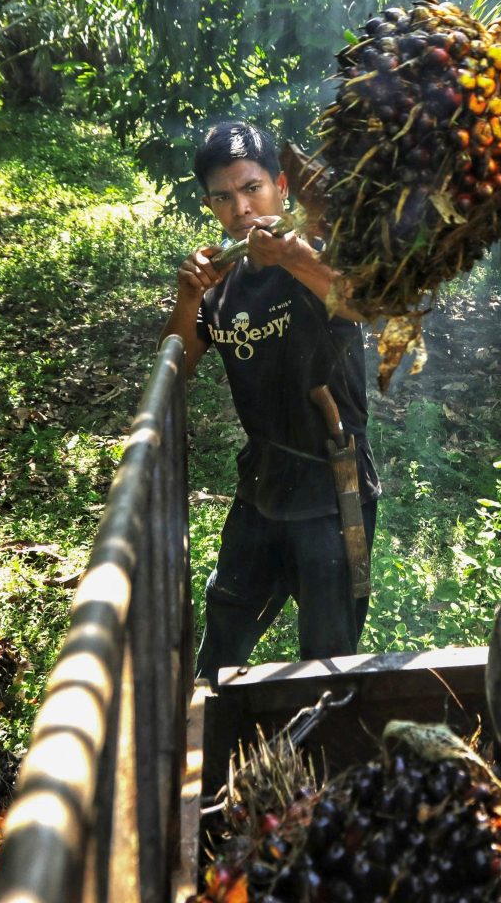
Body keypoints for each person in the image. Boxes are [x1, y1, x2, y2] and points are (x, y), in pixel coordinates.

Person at [160, 120, 380, 684]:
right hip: (261, 485)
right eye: (223, 197)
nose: (241, 208)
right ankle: (209, 746)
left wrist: (292, 258)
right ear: (210, 206)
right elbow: (177, 366)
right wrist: (190, 296)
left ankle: (324, 757)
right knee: (224, 634)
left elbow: (364, 306)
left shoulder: (320, 255)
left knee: (329, 659)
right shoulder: (223, 280)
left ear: (281, 186)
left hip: (334, 486)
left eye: (252, 188)